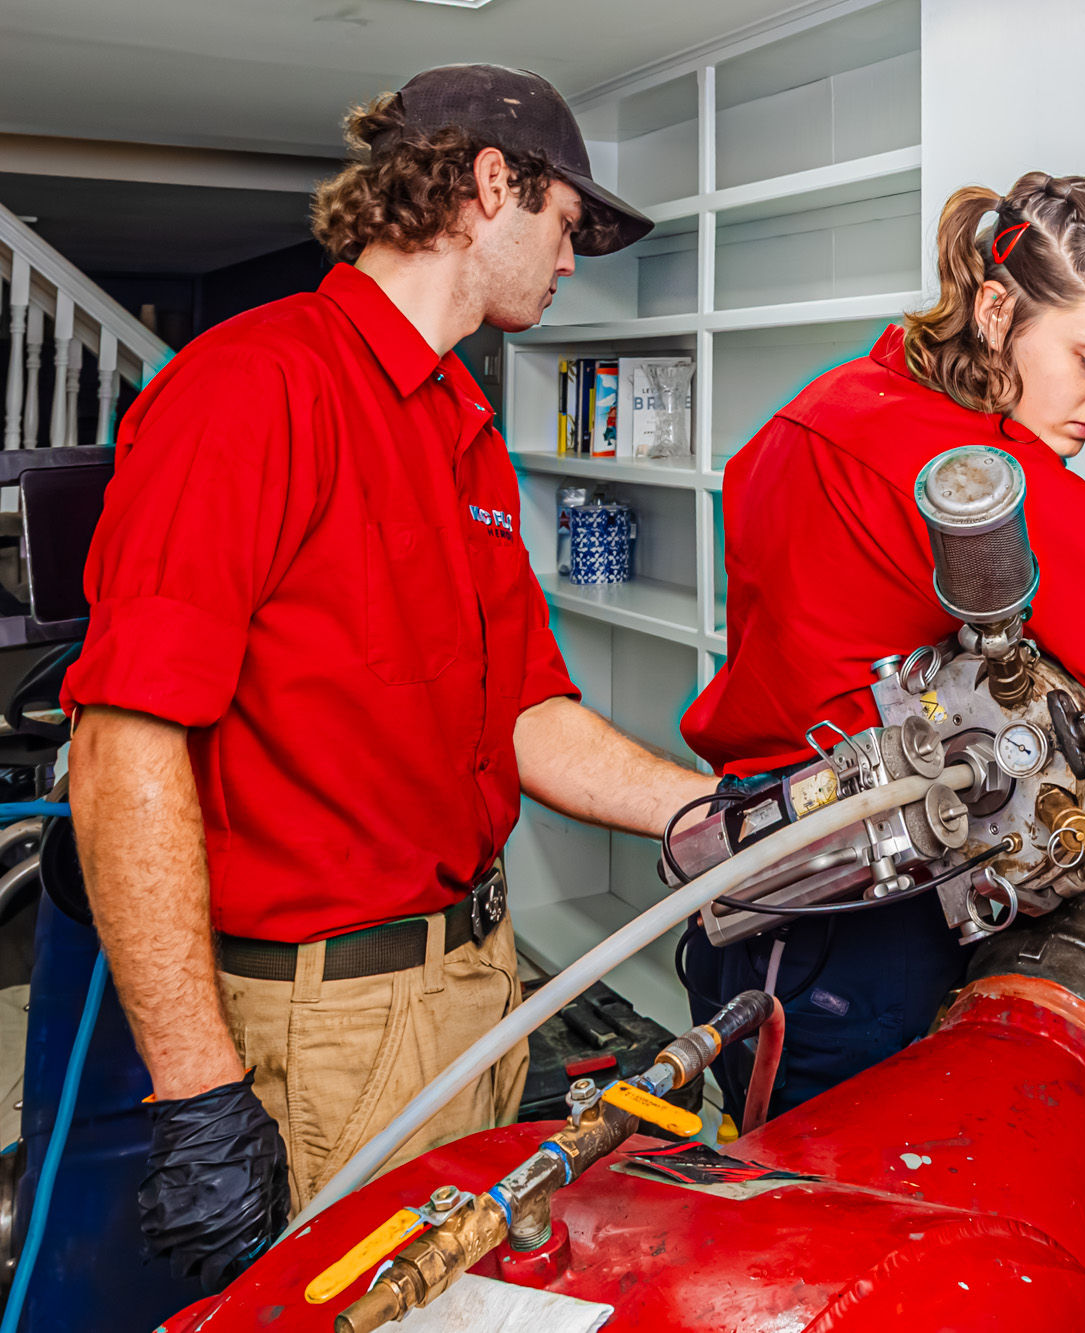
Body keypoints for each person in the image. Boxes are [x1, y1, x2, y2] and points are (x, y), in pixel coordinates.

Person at [62, 65, 716, 1292]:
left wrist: (715, 814)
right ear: (490, 185)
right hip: (328, 1024)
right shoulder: (253, 388)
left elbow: (525, 715)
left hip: (478, 978)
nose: (568, 261)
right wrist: (198, 1090)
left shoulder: (459, 420)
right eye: (565, 225)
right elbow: (123, 748)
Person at [677, 172, 1085, 1125]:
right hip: (881, 951)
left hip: (742, 913)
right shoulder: (1016, 499)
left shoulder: (808, 416)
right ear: (997, 312)